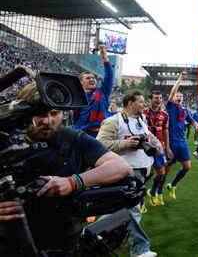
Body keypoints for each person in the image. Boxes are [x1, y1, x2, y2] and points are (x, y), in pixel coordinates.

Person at [0, 81, 132, 255]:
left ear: (64, 113)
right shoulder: (3, 141)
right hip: (8, 242)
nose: (48, 120)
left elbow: (121, 166)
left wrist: (73, 182)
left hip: (65, 241)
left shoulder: (75, 139)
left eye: (54, 113)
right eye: (39, 114)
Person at [97, 90, 163, 257]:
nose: (144, 104)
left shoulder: (140, 119)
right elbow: (99, 144)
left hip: (143, 170)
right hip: (126, 171)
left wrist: (156, 143)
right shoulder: (114, 121)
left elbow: (149, 135)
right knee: (133, 209)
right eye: (141, 102)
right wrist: (124, 144)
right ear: (130, 103)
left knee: (116, 209)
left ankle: (94, 235)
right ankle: (140, 249)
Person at [164, 71, 198, 200]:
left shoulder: (184, 110)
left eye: (181, 96)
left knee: (187, 166)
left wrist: (197, 125)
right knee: (165, 170)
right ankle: (155, 192)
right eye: (177, 96)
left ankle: (172, 185)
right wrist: (180, 78)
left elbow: (192, 121)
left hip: (182, 142)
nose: (178, 97)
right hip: (172, 141)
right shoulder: (170, 107)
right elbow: (173, 93)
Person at [72, 44, 114, 137]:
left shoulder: (102, 91)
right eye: (87, 78)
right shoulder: (76, 96)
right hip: (82, 133)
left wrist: (104, 56)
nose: (92, 79)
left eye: (93, 77)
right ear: (81, 83)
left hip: (101, 133)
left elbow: (109, 75)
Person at [143, 90, 172, 206]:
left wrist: (168, 148)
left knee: (161, 172)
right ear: (150, 99)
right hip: (145, 146)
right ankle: (140, 202)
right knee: (144, 174)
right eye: (156, 98)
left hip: (159, 146)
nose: (159, 100)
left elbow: (166, 132)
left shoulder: (165, 115)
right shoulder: (143, 113)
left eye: (160, 98)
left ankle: (152, 191)